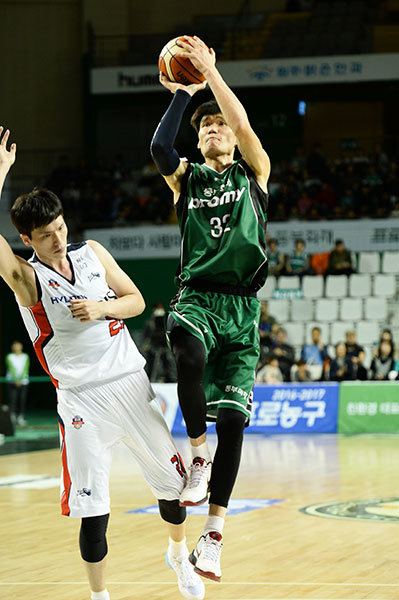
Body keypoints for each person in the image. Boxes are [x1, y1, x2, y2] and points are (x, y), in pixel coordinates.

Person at [0, 127, 204, 600]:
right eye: (46, 235)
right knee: (94, 514)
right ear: (26, 239)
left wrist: (103, 308)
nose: (57, 238)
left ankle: (178, 554)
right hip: (82, 402)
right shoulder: (27, 280)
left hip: (131, 384)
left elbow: (135, 299)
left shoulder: (93, 253)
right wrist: (3, 173)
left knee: (173, 492)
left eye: (61, 228)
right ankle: (99, 597)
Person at [150, 35, 270, 582]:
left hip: (243, 308)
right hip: (197, 294)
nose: (212, 130)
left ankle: (213, 537)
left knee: (236, 426)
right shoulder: (188, 178)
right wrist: (180, 94)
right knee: (188, 357)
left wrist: (212, 77)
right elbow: (158, 150)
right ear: (197, 143)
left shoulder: (253, 173)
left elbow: (243, 126)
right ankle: (197, 455)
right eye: (203, 128)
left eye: (215, 124)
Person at [141, 301, 175, 382]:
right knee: (151, 365)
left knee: (166, 364)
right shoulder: (150, 321)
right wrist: (146, 345)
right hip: (153, 346)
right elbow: (147, 334)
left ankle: (168, 379)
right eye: (157, 308)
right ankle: (149, 380)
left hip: (164, 346)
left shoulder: (167, 320)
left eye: (160, 308)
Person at [5, 340, 30, 425]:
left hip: (24, 382)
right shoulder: (9, 356)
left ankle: (21, 417)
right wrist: (15, 379)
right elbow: (11, 368)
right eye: (15, 345)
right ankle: (12, 417)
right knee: (13, 399)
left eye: (18, 345)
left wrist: (20, 379)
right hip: (12, 381)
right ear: (12, 347)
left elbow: (25, 369)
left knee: (22, 400)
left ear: (21, 346)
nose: (17, 347)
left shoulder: (25, 356)